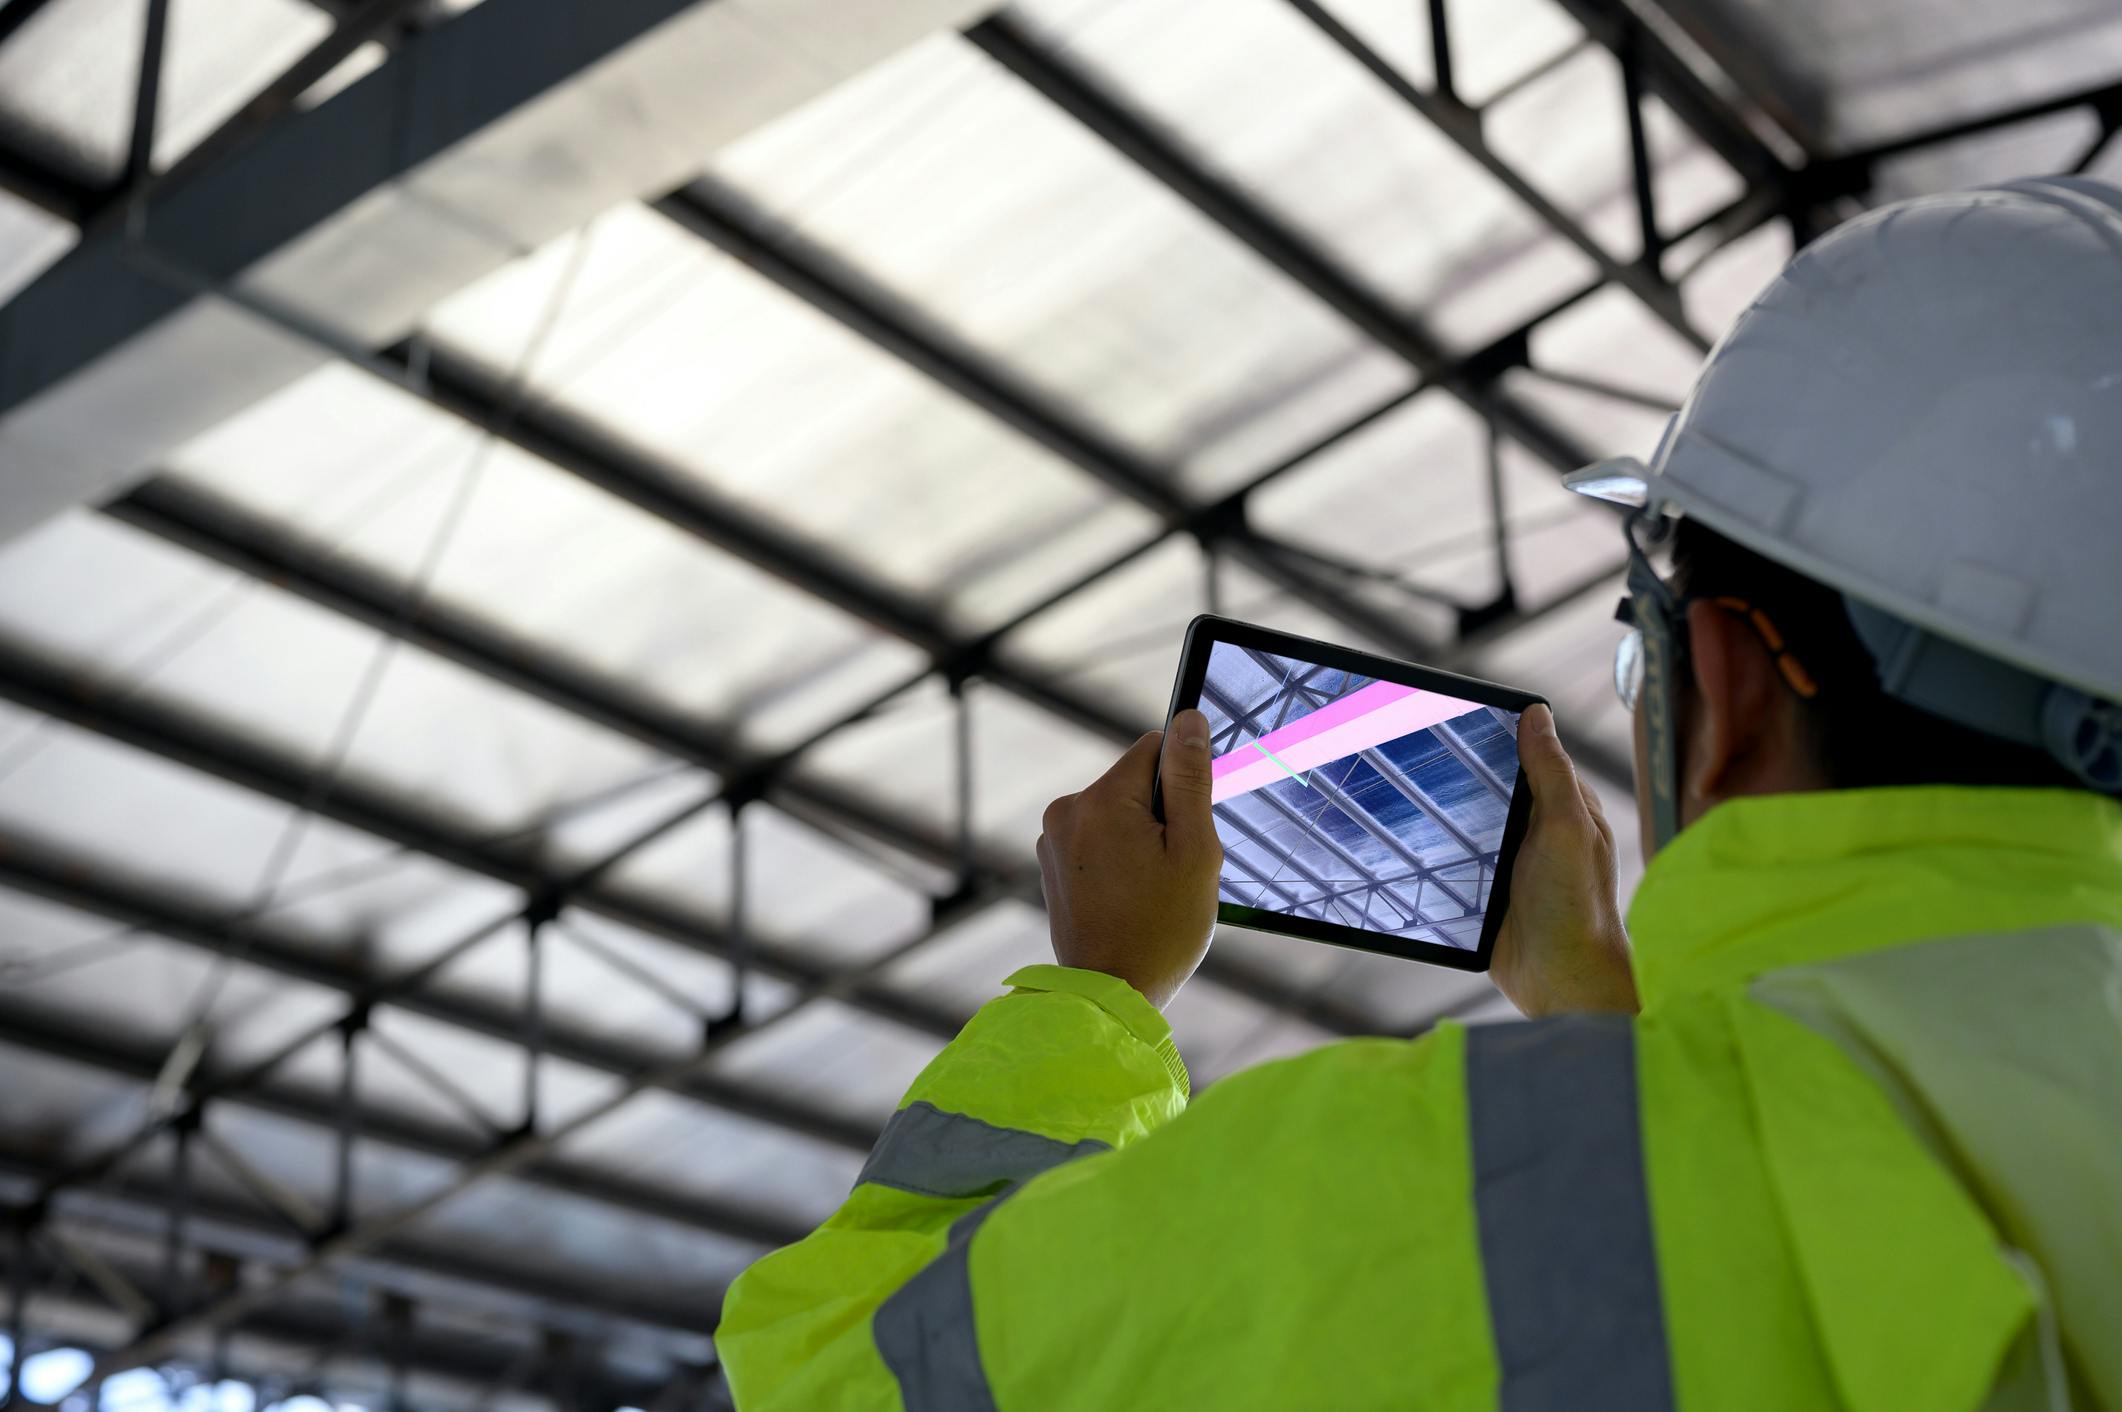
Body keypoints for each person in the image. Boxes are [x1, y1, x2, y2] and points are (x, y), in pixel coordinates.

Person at [717, 178, 2122, 1409]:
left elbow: (844, 1367)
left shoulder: (1446, 1179)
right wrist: (1607, 1029)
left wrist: (1097, 999)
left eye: (1640, 646)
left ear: (1730, 685)